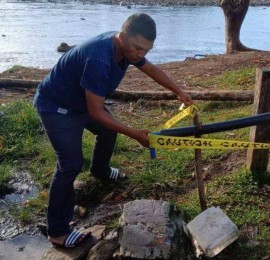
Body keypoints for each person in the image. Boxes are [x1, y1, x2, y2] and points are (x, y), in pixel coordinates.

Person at [33, 13, 193, 248]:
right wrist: (137, 134)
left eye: (146, 50)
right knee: (69, 165)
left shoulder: (127, 49)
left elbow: (149, 68)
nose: (141, 54)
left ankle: (100, 170)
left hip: (81, 102)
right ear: (122, 35)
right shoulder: (99, 57)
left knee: (108, 131)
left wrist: (178, 91)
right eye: (138, 48)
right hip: (57, 106)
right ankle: (57, 232)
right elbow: (96, 112)